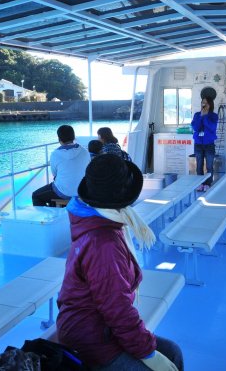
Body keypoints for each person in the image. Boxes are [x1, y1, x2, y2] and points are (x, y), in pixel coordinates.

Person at [57, 154, 183, 371]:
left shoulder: (95, 220)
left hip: (98, 325)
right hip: (91, 337)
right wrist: (148, 353)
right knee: (164, 360)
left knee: (172, 351)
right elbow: (117, 308)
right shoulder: (104, 243)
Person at [32, 125, 90, 207]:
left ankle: (52, 215)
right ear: (73, 137)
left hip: (63, 193)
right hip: (82, 192)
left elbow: (54, 174)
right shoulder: (84, 152)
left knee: (36, 196)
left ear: (59, 138)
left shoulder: (55, 154)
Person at [190, 95, 218, 192]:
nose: (204, 104)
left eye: (206, 103)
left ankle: (208, 183)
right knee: (199, 165)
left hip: (209, 144)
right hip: (198, 144)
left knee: (209, 166)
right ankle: (200, 184)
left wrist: (205, 116)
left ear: (210, 105)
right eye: (202, 102)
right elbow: (196, 128)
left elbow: (212, 127)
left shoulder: (214, 116)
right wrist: (201, 116)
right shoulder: (197, 115)